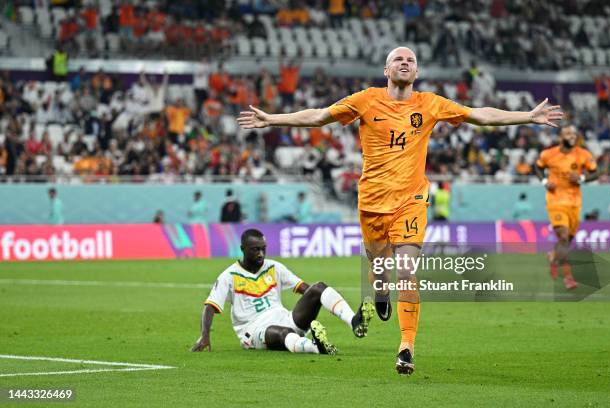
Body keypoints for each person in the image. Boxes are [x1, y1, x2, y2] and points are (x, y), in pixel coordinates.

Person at [237, 46, 564, 375]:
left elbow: (479, 114)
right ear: (386, 69)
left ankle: (406, 347)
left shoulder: (430, 104)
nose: (404, 63)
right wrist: (273, 119)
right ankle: (381, 290)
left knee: (406, 270)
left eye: (410, 60)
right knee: (380, 272)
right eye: (398, 59)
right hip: (372, 204)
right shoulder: (366, 100)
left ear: (416, 73)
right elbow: (320, 115)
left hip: (411, 202)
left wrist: (527, 116)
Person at [191, 229, 375, 354]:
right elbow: (210, 306)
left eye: (263, 249)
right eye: (255, 250)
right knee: (282, 333)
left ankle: (354, 322)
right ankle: (317, 347)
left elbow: (304, 288)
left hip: (285, 318)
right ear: (242, 249)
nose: (261, 254)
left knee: (318, 287)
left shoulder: (274, 267)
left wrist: (317, 300)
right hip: (254, 330)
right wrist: (205, 335)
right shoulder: (229, 276)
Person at [535, 124, 599, 289]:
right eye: (568, 133)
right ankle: (569, 277)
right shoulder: (549, 154)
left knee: (566, 241)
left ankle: (554, 256)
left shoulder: (583, 154)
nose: (572, 136)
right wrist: (544, 181)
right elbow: (538, 167)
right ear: (560, 137)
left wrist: (582, 178)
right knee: (563, 237)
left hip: (575, 203)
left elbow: (596, 172)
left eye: (574, 134)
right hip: (555, 201)